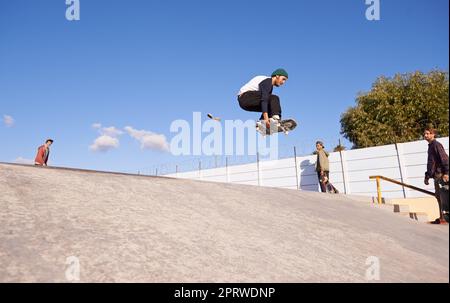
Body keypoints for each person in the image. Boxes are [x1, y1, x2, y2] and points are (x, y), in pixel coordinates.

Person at [423, 127, 449, 223]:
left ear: (433, 134)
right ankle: (442, 217)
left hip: (441, 175)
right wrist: (427, 176)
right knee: (439, 196)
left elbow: (445, 159)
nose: (425, 136)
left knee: (443, 196)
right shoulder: (430, 146)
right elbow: (431, 163)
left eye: (428, 133)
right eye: (425, 134)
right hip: (436, 176)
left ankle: (444, 218)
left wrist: (446, 173)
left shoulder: (436, 145)